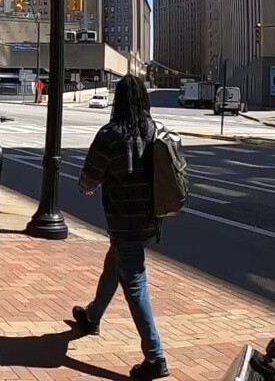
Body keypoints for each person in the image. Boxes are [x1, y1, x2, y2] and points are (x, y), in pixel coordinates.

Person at [72, 74, 169, 380]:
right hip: (151, 217)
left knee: (135, 283)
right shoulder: (154, 130)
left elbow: (89, 177)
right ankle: (91, 317)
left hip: (123, 219)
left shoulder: (110, 134)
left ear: (119, 100)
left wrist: (87, 186)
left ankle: (156, 357)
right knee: (115, 263)